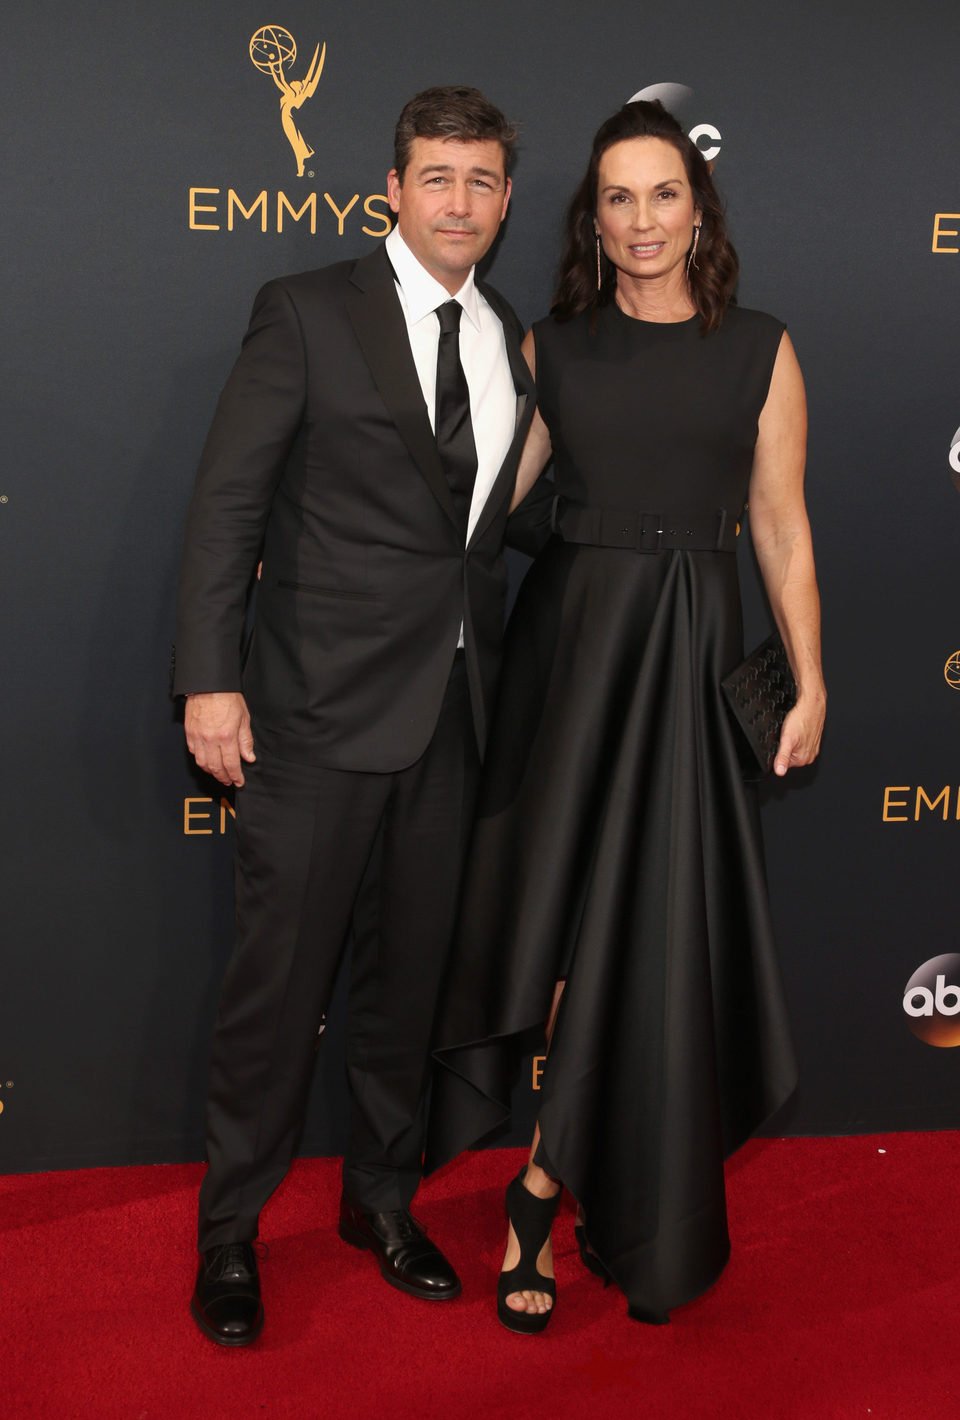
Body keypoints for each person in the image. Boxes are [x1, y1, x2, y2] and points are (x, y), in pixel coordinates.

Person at [425, 99, 826, 1333]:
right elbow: (483, 511)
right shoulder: (551, 348)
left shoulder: (761, 345)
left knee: (658, 934)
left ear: (696, 207)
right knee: (557, 930)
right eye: (617, 197)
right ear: (590, 220)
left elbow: (779, 526)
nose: (642, 220)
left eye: (663, 194)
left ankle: (548, 1183)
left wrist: (811, 677)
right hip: (573, 663)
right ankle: (557, 1169)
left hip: (695, 658)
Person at [173, 85, 549, 1346]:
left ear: (506, 200)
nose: (460, 202)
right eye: (438, 176)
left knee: (404, 991)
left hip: (454, 715)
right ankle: (231, 1229)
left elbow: (487, 532)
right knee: (278, 990)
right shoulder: (306, 310)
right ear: (393, 186)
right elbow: (229, 505)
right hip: (315, 715)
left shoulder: (509, 335)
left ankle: (380, 1201)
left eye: (483, 181)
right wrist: (208, 677)